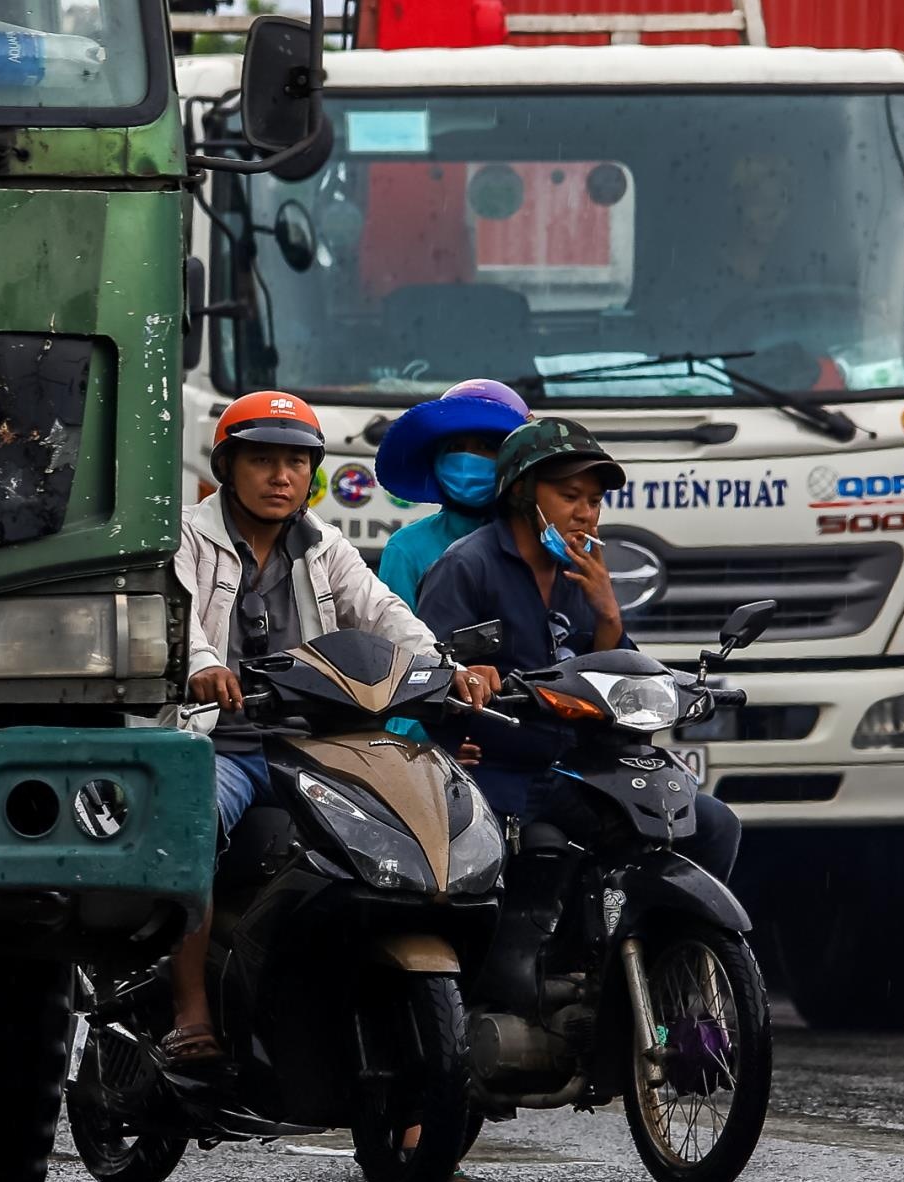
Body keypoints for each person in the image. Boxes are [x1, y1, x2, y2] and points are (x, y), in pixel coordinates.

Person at [167, 390, 498, 1067]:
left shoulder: (325, 546)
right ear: (228, 466)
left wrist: (446, 665)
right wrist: (203, 668)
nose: (280, 476)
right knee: (190, 825)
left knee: (399, 829)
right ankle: (189, 1008)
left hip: (312, 741)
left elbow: (384, 614)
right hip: (217, 740)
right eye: (261, 460)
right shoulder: (186, 535)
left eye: (294, 462)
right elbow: (177, 622)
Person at [414, 418, 740, 882]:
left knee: (712, 826)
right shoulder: (467, 566)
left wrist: (609, 614)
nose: (586, 514)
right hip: (498, 771)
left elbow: (614, 678)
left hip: (585, 771)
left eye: (594, 500)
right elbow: (427, 672)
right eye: (570, 497)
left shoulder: (586, 574)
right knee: (537, 876)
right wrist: (467, 681)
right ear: (522, 493)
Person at [375, 379, 529, 610]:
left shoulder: (536, 541)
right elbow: (395, 639)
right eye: (455, 448)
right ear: (435, 460)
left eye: (485, 446)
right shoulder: (406, 550)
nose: (467, 460)